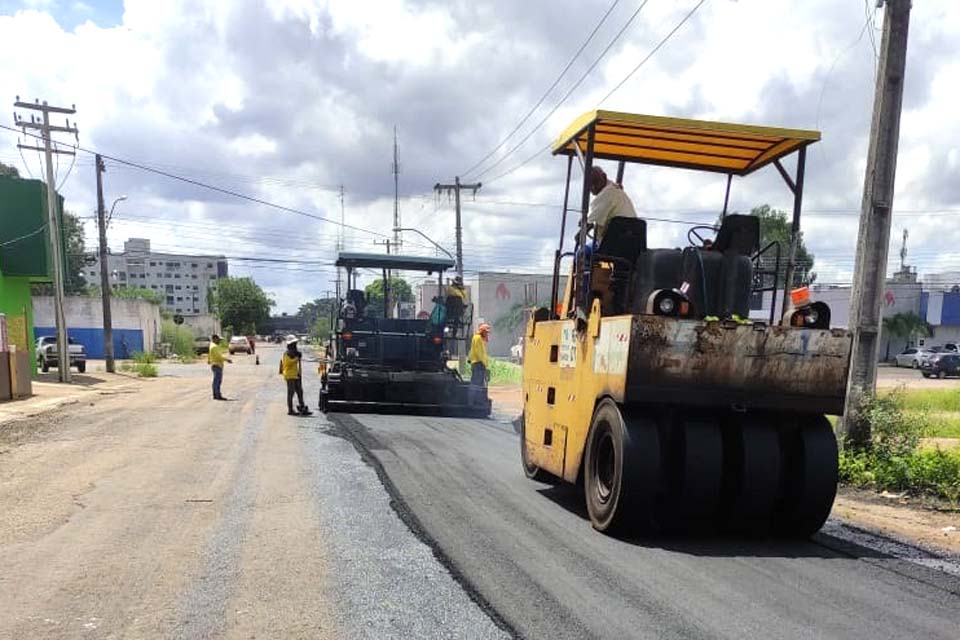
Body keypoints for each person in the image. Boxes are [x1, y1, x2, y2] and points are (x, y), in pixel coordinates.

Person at [586, 166, 637, 246]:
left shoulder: (606, 194)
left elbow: (589, 224)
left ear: (604, 177)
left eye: (596, 182)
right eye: (589, 185)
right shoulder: (616, 189)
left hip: (612, 246)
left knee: (582, 252)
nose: (593, 187)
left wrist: (578, 236)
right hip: (631, 245)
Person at [280, 335, 311, 416]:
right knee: (291, 392)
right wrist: (296, 358)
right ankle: (290, 410)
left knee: (300, 391)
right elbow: (288, 363)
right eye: (293, 344)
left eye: (295, 343)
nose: (295, 345)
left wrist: (297, 356)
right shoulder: (287, 354)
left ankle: (302, 406)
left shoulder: (294, 353)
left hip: (296, 374)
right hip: (290, 375)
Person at [468, 323, 491, 396]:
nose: (487, 334)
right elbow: (478, 352)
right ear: (482, 331)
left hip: (479, 363)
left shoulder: (479, 338)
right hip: (478, 363)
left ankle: (477, 399)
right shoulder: (477, 338)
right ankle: (474, 400)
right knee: (476, 383)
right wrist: (484, 363)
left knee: (479, 383)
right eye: (486, 332)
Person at [208, 334, 232, 400]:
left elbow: (210, 355)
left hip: (215, 364)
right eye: (218, 339)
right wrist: (227, 359)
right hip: (217, 365)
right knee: (217, 381)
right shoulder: (214, 347)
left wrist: (209, 360)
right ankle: (217, 395)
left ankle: (216, 394)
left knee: (216, 381)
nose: (219, 341)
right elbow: (219, 357)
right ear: (215, 339)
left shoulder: (211, 346)